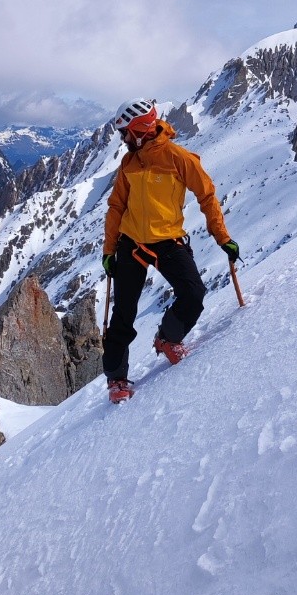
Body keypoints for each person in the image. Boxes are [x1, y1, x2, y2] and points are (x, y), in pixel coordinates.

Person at [101, 99, 239, 403]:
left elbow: (207, 195)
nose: (123, 139)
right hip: (131, 242)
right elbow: (116, 207)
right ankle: (116, 379)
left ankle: (168, 338)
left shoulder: (178, 157)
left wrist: (222, 236)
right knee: (123, 314)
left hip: (167, 240)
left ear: (139, 130)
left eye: (125, 133)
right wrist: (109, 251)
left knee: (193, 293)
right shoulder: (129, 164)